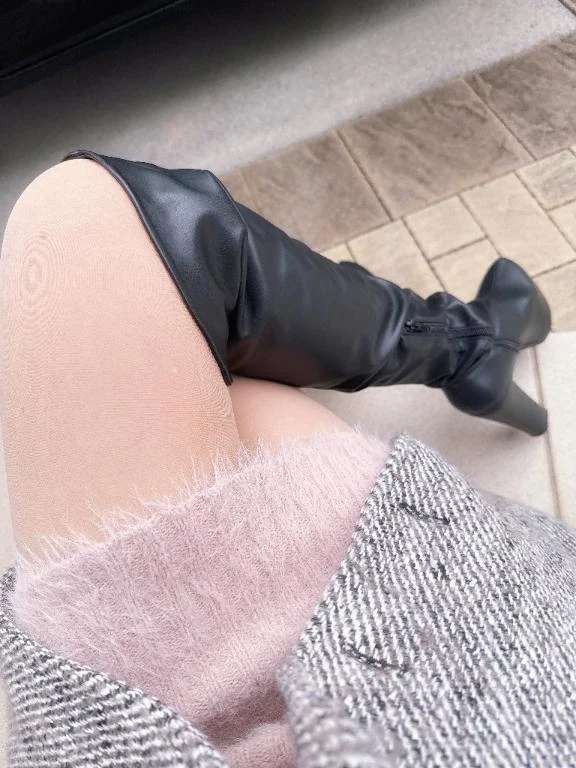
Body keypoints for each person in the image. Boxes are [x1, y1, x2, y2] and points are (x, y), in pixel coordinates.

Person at [0, 152, 575, 768]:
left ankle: (468, 345)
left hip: (139, 721)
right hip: (454, 693)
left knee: (169, 334)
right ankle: (467, 344)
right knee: (83, 228)